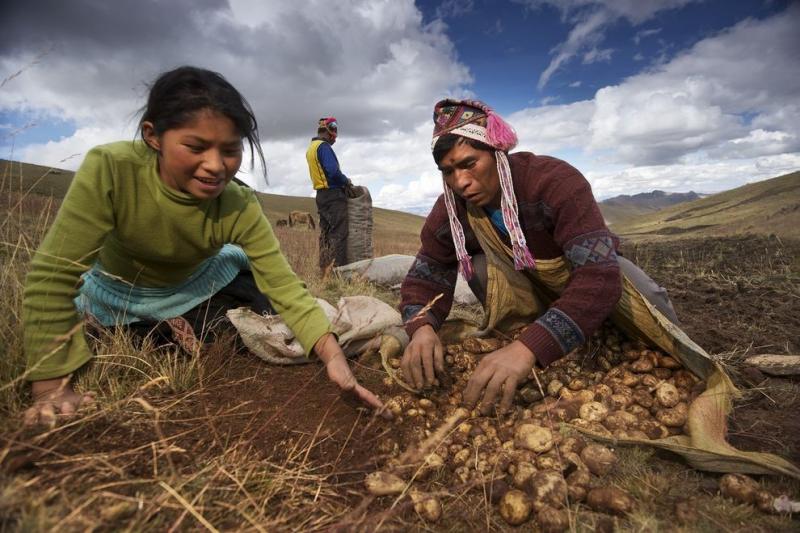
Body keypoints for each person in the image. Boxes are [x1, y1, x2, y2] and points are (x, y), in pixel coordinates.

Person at [21, 66, 386, 426]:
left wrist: (331, 354)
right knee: (156, 340)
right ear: (153, 135)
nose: (215, 166)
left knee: (245, 327)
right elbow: (53, 275)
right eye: (195, 147)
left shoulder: (238, 201)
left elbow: (284, 285)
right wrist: (50, 388)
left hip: (200, 284)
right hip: (118, 293)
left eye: (230, 150)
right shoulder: (111, 169)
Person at [399, 98, 679, 415]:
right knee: (477, 268)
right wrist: (421, 327)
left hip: (582, 278)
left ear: (496, 151)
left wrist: (528, 348)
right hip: (530, 287)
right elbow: (427, 273)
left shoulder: (554, 182)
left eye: (469, 163)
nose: (460, 181)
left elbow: (598, 278)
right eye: (448, 171)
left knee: (644, 299)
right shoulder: (451, 209)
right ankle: (536, 326)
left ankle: (572, 330)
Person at [306, 117, 351, 269]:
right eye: (335, 130)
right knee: (339, 233)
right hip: (333, 196)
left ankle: (324, 268)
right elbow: (332, 171)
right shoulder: (324, 147)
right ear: (328, 130)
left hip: (321, 196)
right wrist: (346, 181)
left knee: (325, 234)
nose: (336, 137)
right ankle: (340, 271)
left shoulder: (311, 148)